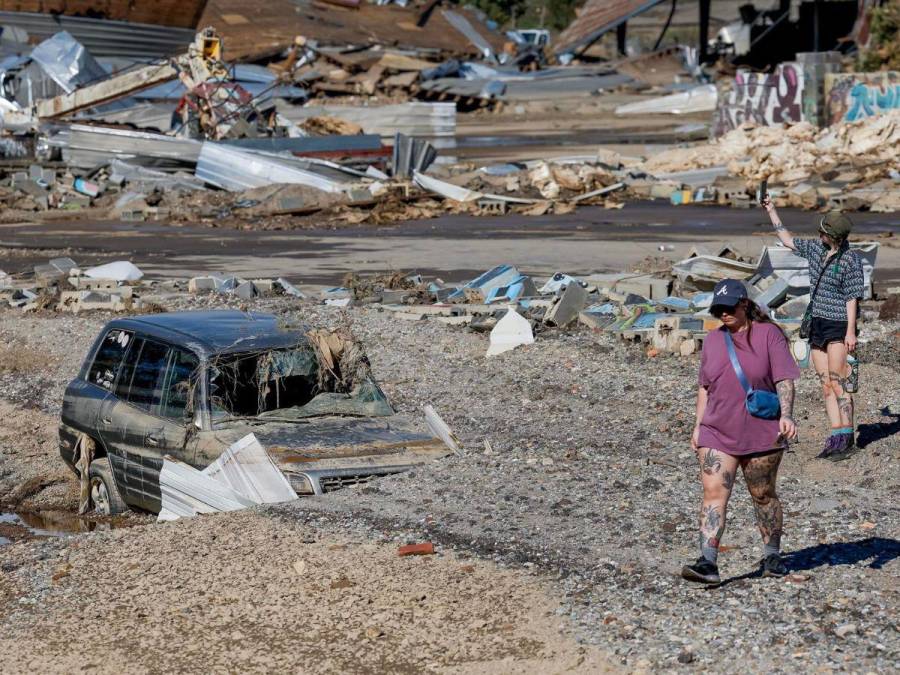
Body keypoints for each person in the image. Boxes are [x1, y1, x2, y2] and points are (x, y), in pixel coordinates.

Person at [682, 279, 800, 585]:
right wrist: (698, 427)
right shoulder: (712, 341)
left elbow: (785, 380)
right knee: (713, 492)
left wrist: (786, 416)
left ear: (745, 304)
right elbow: (704, 388)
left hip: (762, 431)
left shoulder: (769, 335)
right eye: (718, 309)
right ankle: (707, 562)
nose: (723, 313)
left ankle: (772, 555)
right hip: (717, 430)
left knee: (762, 494)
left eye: (729, 307)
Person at [762, 199, 866, 460]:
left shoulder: (851, 260)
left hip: (839, 325)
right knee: (826, 384)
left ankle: (847, 437)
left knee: (839, 382)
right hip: (817, 323)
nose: (818, 235)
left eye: (823, 232)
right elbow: (787, 240)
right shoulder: (816, 250)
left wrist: (851, 331)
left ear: (833, 236)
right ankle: (835, 434)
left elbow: (852, 297)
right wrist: (771, 211)